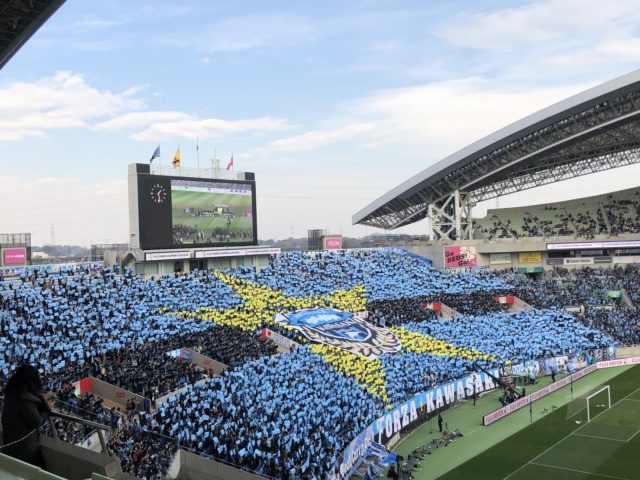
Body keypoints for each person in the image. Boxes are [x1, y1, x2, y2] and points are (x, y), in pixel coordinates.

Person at [1, 364, 51, 467]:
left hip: (10, 440)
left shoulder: (11, 392)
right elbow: (37, 422)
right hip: (25, 448)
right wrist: (46, 410)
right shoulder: (25, 399)